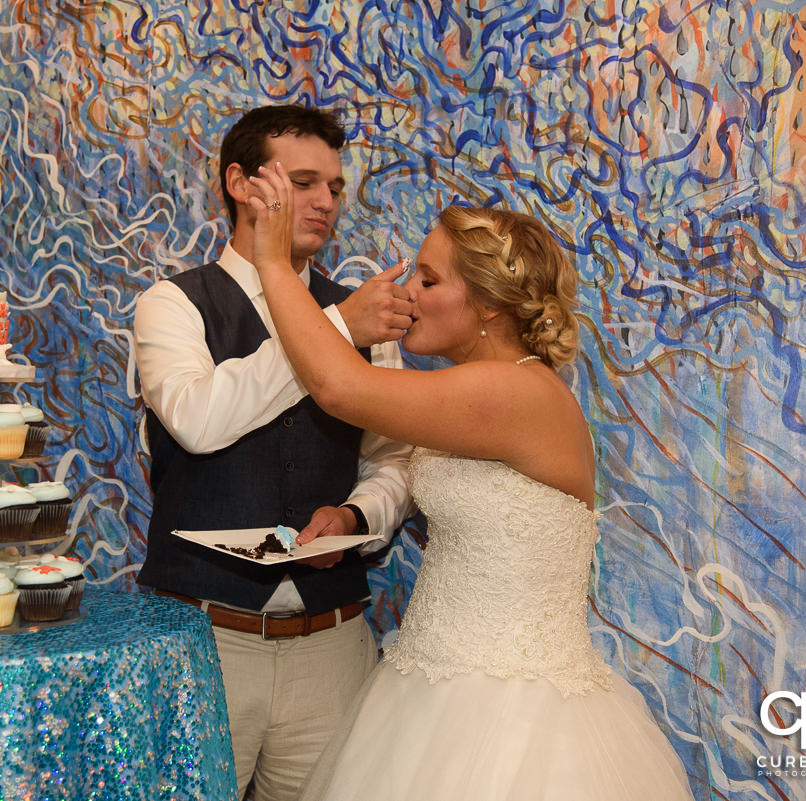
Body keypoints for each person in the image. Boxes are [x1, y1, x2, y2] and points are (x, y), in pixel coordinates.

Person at [243, 163, 695, 800]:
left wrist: (272, 262)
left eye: (428, 280)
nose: (408, 292)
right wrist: (350, 517)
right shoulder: (477, 390)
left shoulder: (514, 392)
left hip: (514, 718)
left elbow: (338, 387)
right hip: (428, 685)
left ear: (488, 304)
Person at [133, 105, 415, 801]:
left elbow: (396, 463)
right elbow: (198, 420)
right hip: (202, 642)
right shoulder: (173, 303)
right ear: (240, 183)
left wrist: (355, 517)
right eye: (304, 182)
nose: (325, 202)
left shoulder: (363, 315)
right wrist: (335, 330)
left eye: (335, 187)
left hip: (332, 646)